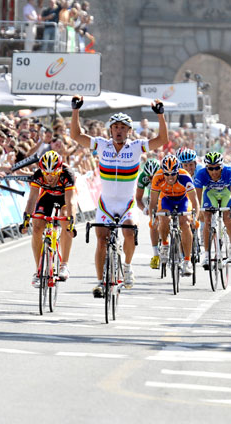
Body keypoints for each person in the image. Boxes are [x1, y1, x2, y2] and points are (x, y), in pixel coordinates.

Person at [70, 94, 168, 297]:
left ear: (129, 131)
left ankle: (128, 266)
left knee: (130, 233)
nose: (119, 131)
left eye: (123, 128)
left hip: (127, 202)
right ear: (110, 130)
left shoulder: (136, 146)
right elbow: (76, 136)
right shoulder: (101, 144)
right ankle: (99, 282)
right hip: (106, 203)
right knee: (101, 240)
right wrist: (75, 110)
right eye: (116, 128)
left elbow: (162, 140)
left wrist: (160, 116)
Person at [21, 150, 77, 283]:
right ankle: (38, 269)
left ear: (59, 170)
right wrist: (26, 220)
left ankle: (64, 265)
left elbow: (71, 201)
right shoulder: (38, 175)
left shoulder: (68, 174)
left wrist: (71, 222)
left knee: (65, 221)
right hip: (47, 197)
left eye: (53, 174)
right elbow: (32, 199)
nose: (50, 177)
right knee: (36, 227)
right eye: (47, 174)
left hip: (64, 199)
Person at [148, 154, 199, 276]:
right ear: (163, 172)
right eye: (167, 174)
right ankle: (165, 245)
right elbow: (153, 203)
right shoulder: (158, 177)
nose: (170, 177)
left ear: (178, 171)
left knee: (185, 223)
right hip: (166, 199)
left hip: (183, 200)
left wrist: (195, 219)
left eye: (173, 174)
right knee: (163, 219)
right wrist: (152, 218)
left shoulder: (185, 177)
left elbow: (195, 201)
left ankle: (187, 261)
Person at [194, 151, 231, 267]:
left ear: (222, 166)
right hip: (211, 194)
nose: (214, 171)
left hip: (226, 193)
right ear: (206, 167)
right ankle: (207, 255)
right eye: (210, 168)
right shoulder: (201, 174)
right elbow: (197, 196)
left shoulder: (229, 172)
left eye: (217, 168)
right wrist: (198, 211)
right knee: (207, 220)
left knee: (228, 219)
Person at [135, 158, 162, 269]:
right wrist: (144, 209)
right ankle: (155, 255)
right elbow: (138, 198)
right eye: (150, 177)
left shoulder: (164, 174)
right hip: (153, 199)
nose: (152, 179)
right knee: (153, 224)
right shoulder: (143, 178)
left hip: (166, 196)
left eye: (154, 176)